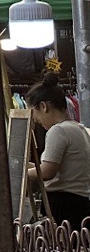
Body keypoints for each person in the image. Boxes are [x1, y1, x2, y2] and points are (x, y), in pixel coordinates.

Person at [27, 74, 90, 230]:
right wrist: (28, 166)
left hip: (64, 206)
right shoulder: (79, 128)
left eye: (35, 113)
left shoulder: (58, 131)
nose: (35, 120)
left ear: (44, 106)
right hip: (79, 203)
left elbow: (47, 172)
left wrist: (19, 172)